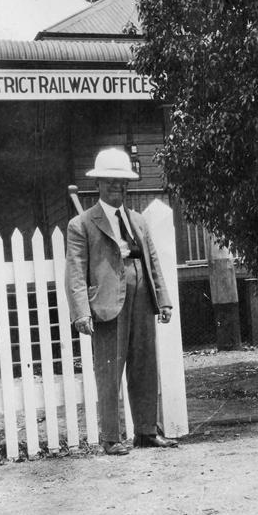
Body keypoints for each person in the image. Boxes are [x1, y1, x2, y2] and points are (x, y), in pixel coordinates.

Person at [65, 147, 179, 455]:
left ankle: (145, 432)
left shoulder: (138, 221)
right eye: (111, 182)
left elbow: (153, 262)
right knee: (109, 372)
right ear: (99, 184)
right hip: (105, 306)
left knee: (144, 367)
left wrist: (163, 300)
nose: (118, 187)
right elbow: (75, 273)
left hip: (142, 300)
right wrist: (80, 313)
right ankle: (112, 438)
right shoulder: (82, 224)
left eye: (122, 182)